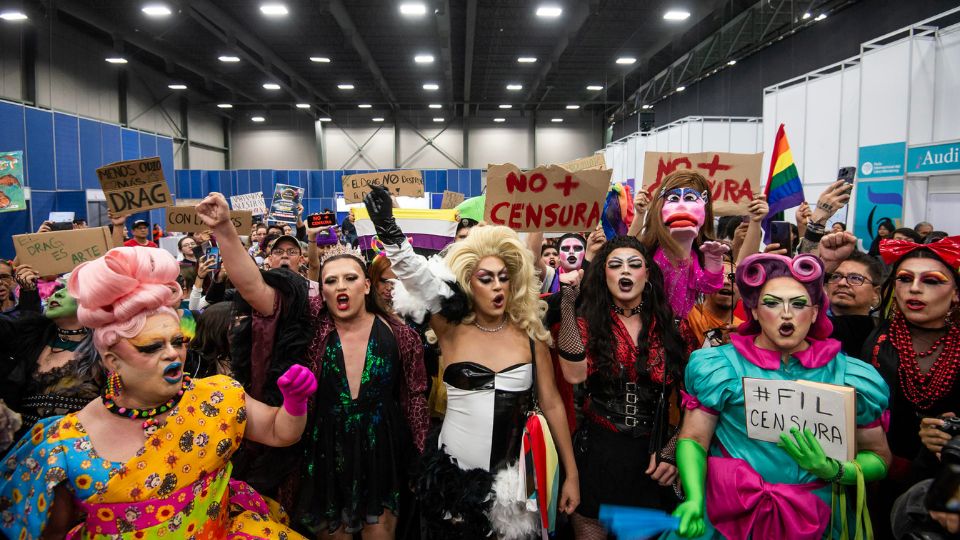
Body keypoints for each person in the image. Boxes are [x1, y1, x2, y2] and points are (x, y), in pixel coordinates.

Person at [0, 246, 316, 539]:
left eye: (177, 342)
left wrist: (295, 401)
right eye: (152, 346)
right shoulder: (64, 445)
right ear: (112, 360)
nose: (172, 355)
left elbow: (279, 431)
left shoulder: (217, 397)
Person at [196, 192, 428, 539]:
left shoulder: (401, 335)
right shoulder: (311, 325)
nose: (341, 286)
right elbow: (254, 288)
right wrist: (225, 229)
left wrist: (420, 461)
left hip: (383, 452)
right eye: (331, 281)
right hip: (323, 450)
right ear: (322, 291)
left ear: (366, 286)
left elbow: (415, 401)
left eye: (350, 278)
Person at [363, 185, 579, 539]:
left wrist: (571, 474)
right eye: (486, 278)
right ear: (468, 283)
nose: (497, 287)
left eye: (503, 277)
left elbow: (553, 404)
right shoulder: (450, 327)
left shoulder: (530, 333)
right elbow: (416, 275)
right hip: (452, 484)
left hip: (514, 488)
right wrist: (387, 227)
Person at [671, 253, 891, 539]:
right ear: (753, 311)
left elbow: (879, 457)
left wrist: (835, 470)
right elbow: (694, 439)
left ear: (814, 313)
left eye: (798, 304)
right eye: (772, 303)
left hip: (815, 519)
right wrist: (694, 498)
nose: (786, 313)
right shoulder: (720, 367)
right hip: (727, 516)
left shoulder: (849, 376)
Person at [557, 235, 688, 538]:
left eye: (634, 264)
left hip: (652, 462)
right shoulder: (588, 322)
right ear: (605, 275)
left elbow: (697, 401)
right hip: (596, 457)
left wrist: (674, 448)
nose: (625, 271)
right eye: (615, 265)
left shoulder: (672, 329)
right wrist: (567, 301)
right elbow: (574, 375)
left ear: (647, 274)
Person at [862, 236, 960, 539]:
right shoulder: (877, 343)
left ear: (956, 293)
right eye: (905, 278)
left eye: (931, 281)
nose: (914, 288)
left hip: (950, 486)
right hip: (881, 479)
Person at [0, 273, 100, 434]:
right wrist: (28, 289)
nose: (58, 293)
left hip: (73, 449)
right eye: (58, 289)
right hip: (22, 447)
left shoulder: (105, 349)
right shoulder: (32, 339)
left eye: (69, 290)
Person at [639, 170, 729, 318]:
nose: (681, 206)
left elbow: (706, 286)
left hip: (680, 330)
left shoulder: (694, 257)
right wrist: (639, 214)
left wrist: (714, 261)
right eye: (673, 198)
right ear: (659, 206)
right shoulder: (651, 254)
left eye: (690, 198)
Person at [818, 232, 884, 356]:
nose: (842, 283)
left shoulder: (884, 336)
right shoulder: (811, 320)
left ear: (875, 293)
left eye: (856, 278)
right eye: (836, 276)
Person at [685, 256, 744, 347]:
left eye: (733, 278)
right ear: (705, 285)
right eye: (718, 277)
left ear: (742, 293)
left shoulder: (744, 331)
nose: (726, 282)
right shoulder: (686, 315)